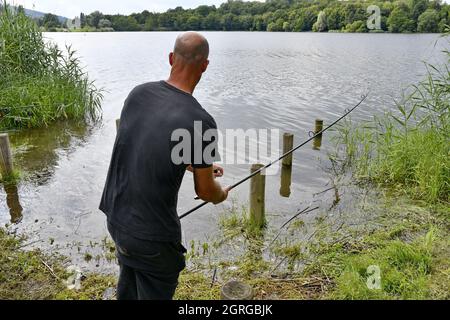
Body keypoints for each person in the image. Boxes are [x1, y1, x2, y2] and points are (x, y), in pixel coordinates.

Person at [99, 32, 228, 300]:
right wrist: (220, 193)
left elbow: (139, 145)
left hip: (116, 218)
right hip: (153, 238)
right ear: (205, 65)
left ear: (171, 58)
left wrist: (193, 165)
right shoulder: (201, 121)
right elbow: (206, 192)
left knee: (129, 287)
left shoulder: (138, 94)